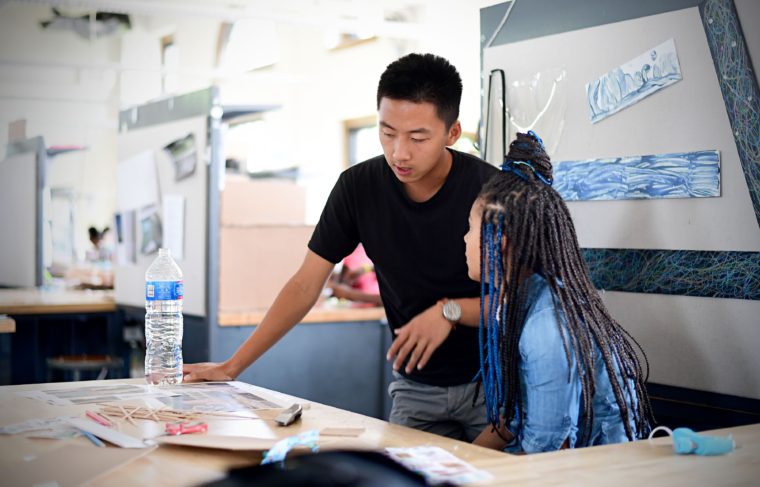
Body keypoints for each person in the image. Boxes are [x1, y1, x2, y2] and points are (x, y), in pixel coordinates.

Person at [184, 53, 498, 441]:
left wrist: (450, 312)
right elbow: (304, 285)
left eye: (418, 137)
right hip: (416, 390)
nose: (399, 152)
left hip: (494, 388)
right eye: (386, 132)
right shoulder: (357, 187)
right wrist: (232, 367)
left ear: (453, 134)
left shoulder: (491, 192)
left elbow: (524, 303)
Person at [464, 131, 654, 453]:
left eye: (470, 227)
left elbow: (547, 451)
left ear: (500, 243)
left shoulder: (546, 326)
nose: (464, 238)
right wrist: (453, 464)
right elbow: (509, 424)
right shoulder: (518, 301)